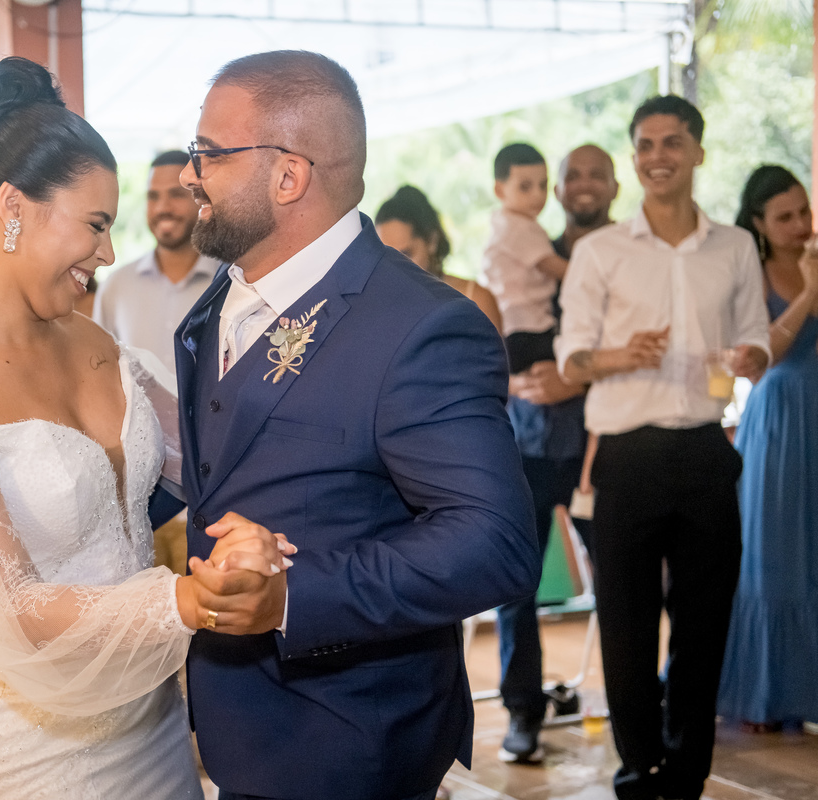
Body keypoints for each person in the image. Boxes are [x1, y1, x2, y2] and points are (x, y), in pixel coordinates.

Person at [0, 57, 291, 800]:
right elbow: (11, 608)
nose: (109, 252)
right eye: (95, 224)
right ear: (13, 207)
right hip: (24, 749)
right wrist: (185, 600)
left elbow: (219, 464)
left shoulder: (97, 346)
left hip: (147, 718)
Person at [175, 50, 540, 800]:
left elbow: (493, 542)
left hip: (352, 742)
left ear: (288, 176)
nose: (189, 174)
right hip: (240, 733)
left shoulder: (422, 327)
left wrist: (292, 597)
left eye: (209, 153)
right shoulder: (222, 300)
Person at [556, 95, 771, 800]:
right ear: (634, 158)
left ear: (698, 152)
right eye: (645, 145)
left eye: (672, 143)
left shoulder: (735, 246)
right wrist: (622, 355)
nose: (657, 157)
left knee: (704, 625)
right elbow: (571, 361)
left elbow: (759, 340)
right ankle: (637, 768)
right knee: (624, 622)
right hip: (626, 457)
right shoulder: (599, 252)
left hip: (708, 452)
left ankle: (686, 772)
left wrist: (750, 356)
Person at [493, 144, 618, 763]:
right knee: (516, 584)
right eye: (572, 177)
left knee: (622, 579)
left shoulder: (624, 258)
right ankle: (523, 713)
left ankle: (636, 701)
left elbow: (638, 349)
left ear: (615, 185)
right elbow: (498, 343)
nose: (582, 185)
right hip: (526, 443)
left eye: (598, 173)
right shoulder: (525, 251)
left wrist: (578, 379)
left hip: (600, 445)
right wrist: (520, 381)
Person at [717, 164, 818, 729]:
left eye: (805, 211)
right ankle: (765, 694)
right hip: (780, 418)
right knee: (774, 554)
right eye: (785, 216)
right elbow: (758, 361)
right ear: (758, 222)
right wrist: (808, 293)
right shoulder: (751, 271)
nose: (801, 224)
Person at [93, 150, 221, 376]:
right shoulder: (116, 287)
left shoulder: (228, 282)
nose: (163, 208)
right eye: (153, 197)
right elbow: (99, 371)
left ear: (201, 198)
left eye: (176, 194)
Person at [482, 143, 571, 375]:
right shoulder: (519, 229)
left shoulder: (503, 224)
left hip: (511, 328)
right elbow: (561, 271)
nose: (538, 196)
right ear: (500, 191)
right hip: (529, 328)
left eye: (543, 185)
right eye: (525, 187)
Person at [375, 184, 503, 331]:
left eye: (406, 254)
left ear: (432, 241)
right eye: (388, 258)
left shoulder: (475, 299)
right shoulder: (380, 307)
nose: (397, 267)